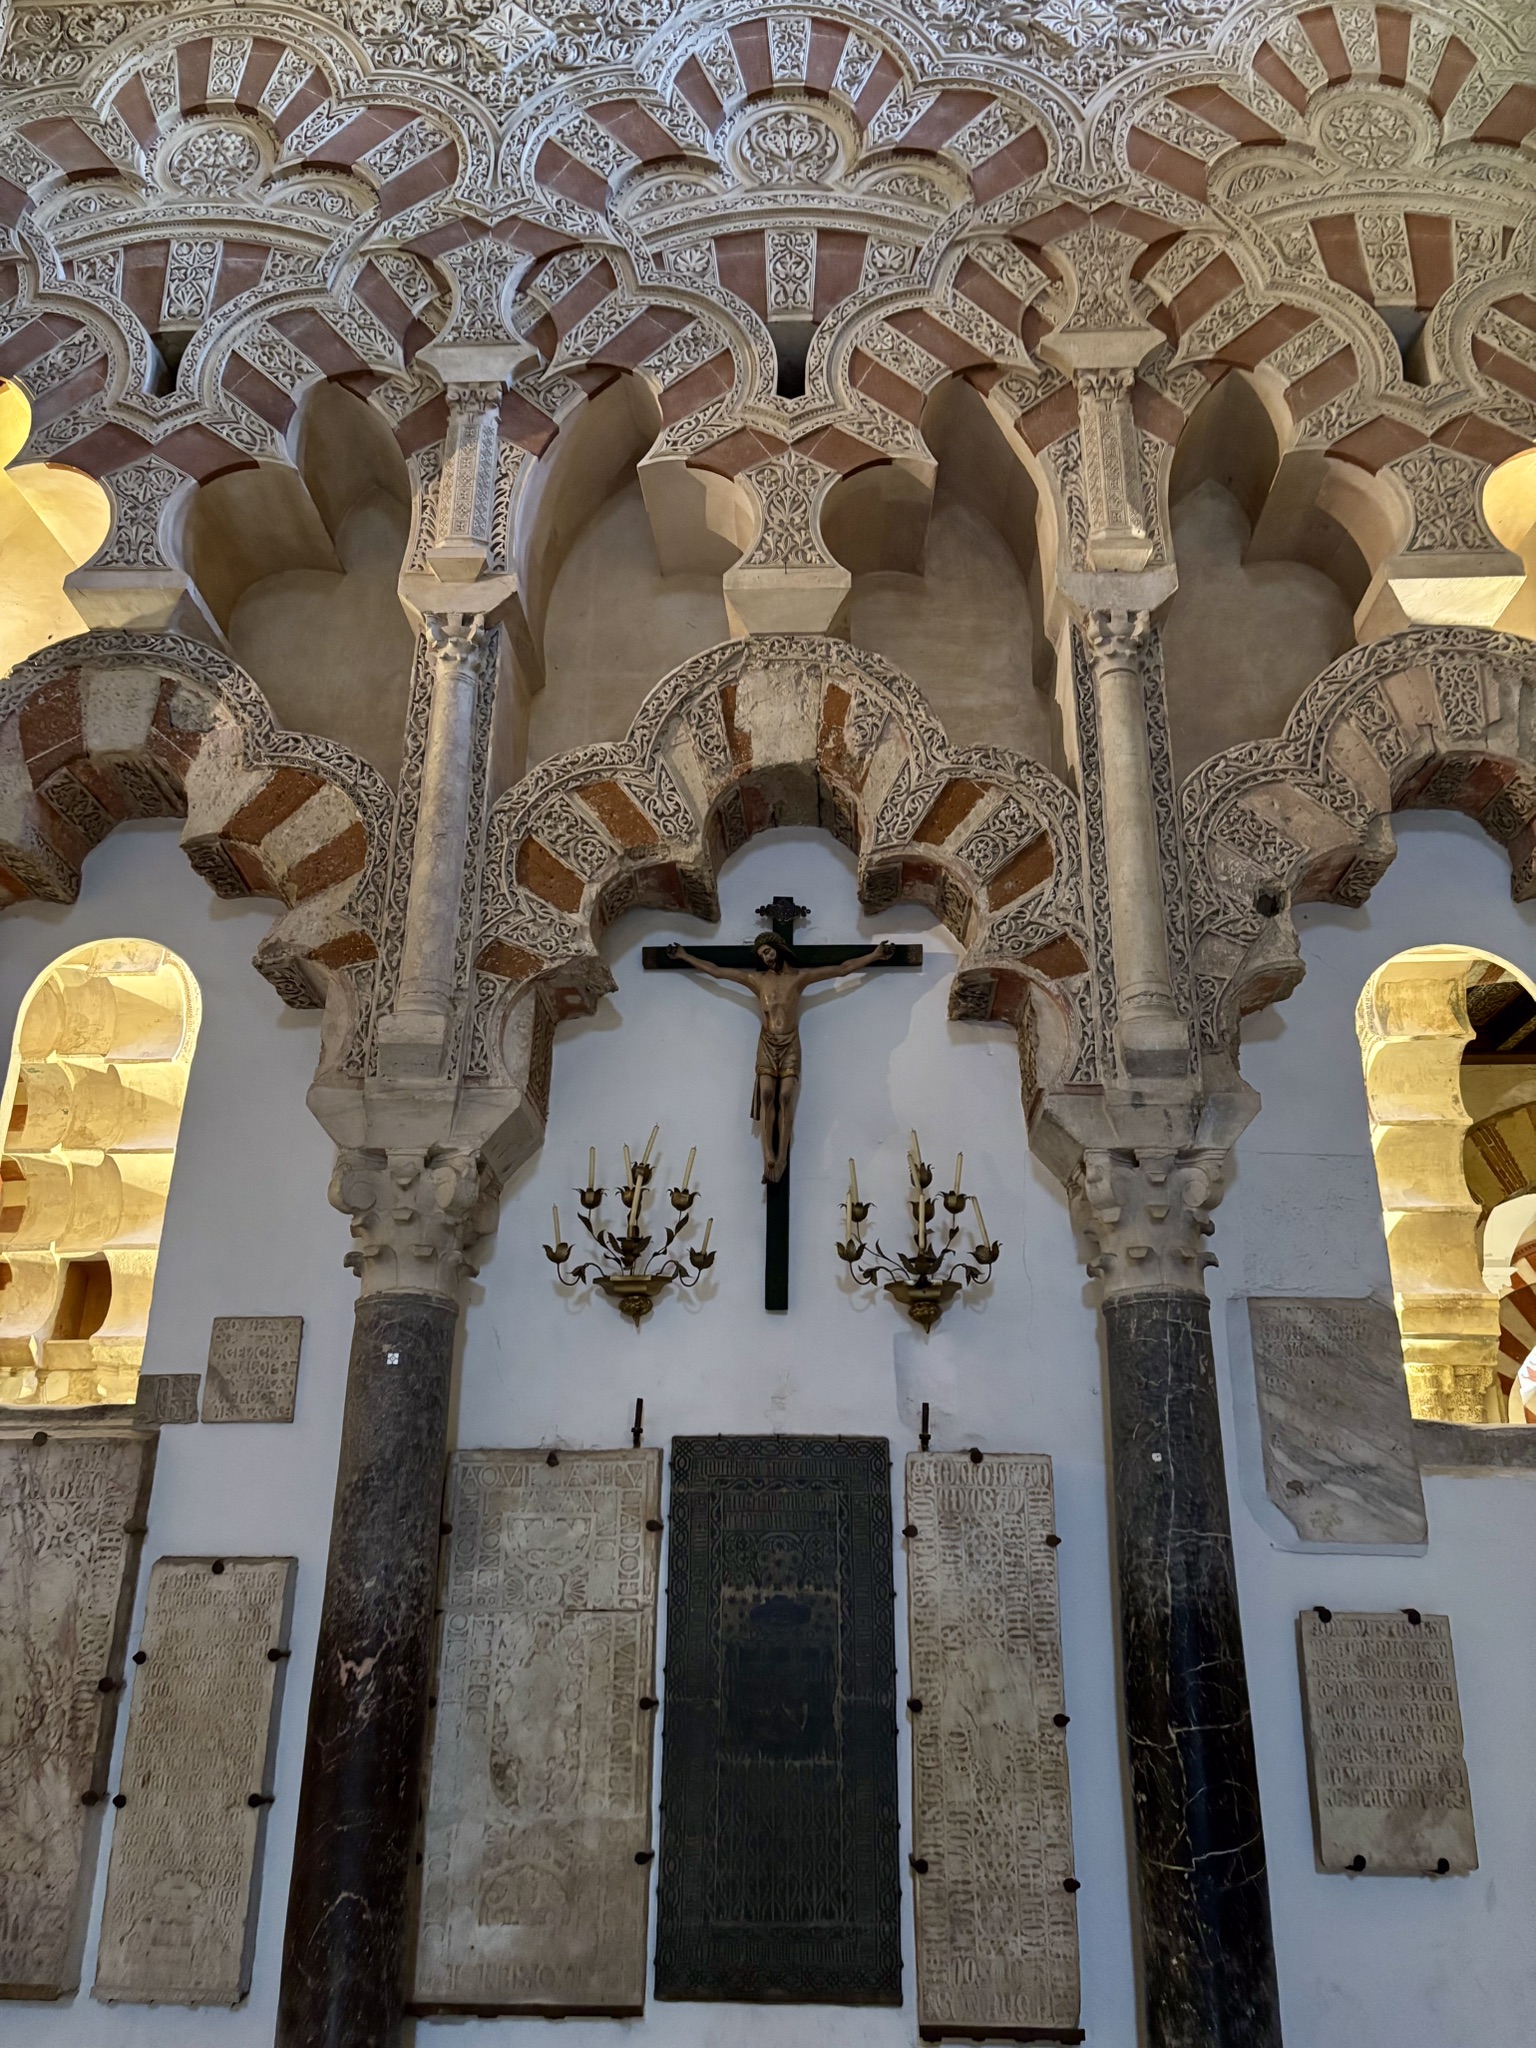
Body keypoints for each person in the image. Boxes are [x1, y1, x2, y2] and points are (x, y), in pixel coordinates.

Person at [666, 933, 895, 1181]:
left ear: (778, 947)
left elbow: (841, 969)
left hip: (789, 1043)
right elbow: (717, 971)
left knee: (785, 1095)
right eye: (761, 955)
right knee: (766, 1093)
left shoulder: (799, 978)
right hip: (767, 1041)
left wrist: (875, 955)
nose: (766, 957)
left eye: (767, 951)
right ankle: (768, 1155)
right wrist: (683, 955)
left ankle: (782, 1155)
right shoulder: (757, 980)